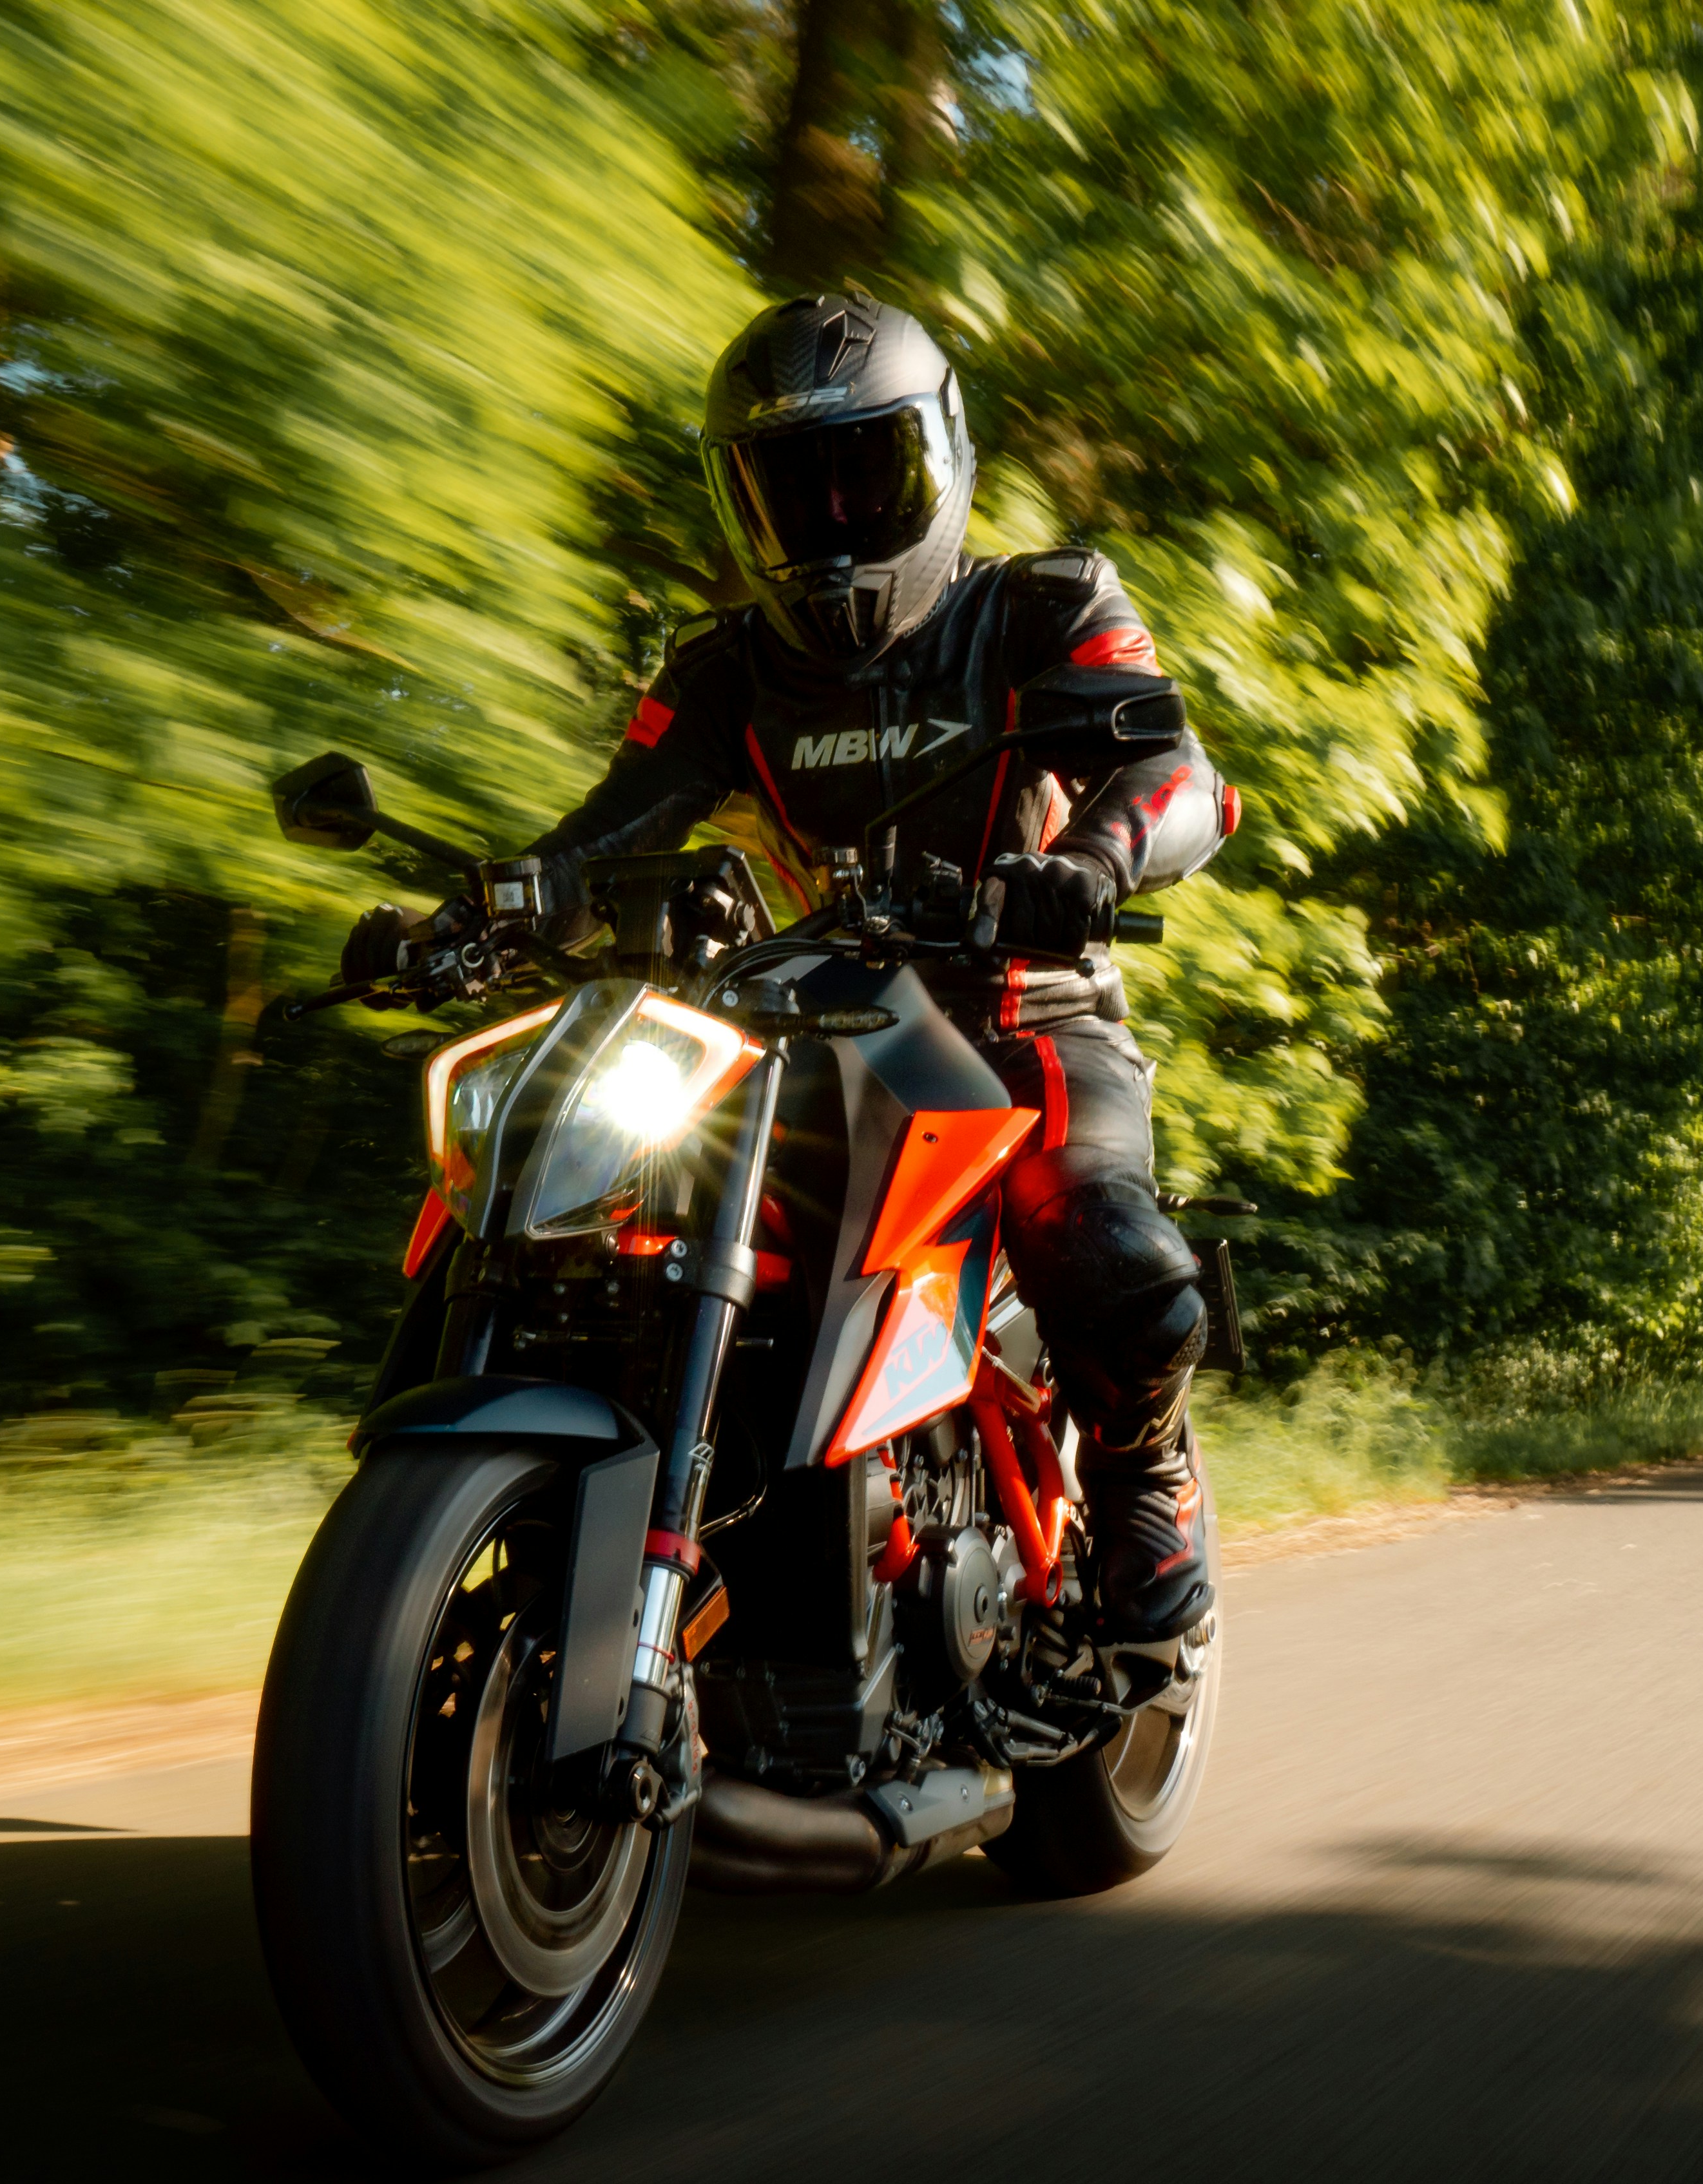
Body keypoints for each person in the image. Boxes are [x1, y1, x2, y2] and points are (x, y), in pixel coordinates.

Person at [350, 292, 1238, 1645]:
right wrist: (475, 915)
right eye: (785, 493)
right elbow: (609, 828)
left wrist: (1096, 865)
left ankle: (1141, 1472)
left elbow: (1179, 774)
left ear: (938, 465)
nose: (824, 526)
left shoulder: (1047, 605)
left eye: (860, 479)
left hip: (1017, 1016)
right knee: (579, 1206)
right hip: (798, 1034)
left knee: (1107, 1243)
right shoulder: (723, 670)